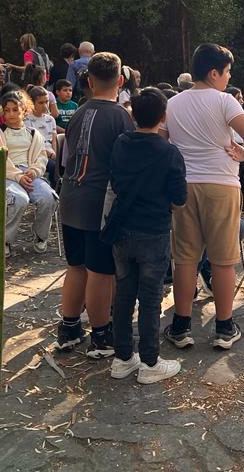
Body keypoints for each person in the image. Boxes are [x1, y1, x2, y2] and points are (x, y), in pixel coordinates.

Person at [161, 43, 244, 351]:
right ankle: (224, 328)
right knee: (223, 260)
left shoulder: (173, 103)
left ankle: (181, 327)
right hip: (221, 184)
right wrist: (243, 154)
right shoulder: (225, 100)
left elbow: (162, 140)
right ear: (214, 72)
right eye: (227, 72)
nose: (228, 77)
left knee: (185, 258)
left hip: (184, 186)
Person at [106, 87, 187, 384]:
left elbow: (115, 181)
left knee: (124, 294)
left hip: (121, 227)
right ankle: (150, 361)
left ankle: (123, 357)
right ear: (163, 117)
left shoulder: (120, 143)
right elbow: (179, 198)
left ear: (133, 115)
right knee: (151, 298)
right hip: (153, 230)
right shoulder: (169, 152)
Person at [56, 52, 134, 357]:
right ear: (120, 80)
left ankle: (69, 328)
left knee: (76, 266)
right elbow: (126, 163)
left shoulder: (77, 113)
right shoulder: (120, 116)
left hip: (70, 197)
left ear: (89, 81)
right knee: (101, 271)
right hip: (99, 202)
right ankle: (101, 335)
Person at [1, 90, 54, 256]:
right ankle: (5, 240)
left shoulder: (33, 133)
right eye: (7, 110)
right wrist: (18, 176)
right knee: (18, 199)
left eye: (15, 109)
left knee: (48, 197)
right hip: (8, 174)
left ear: (24, 110)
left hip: (30, 173)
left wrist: (34, 171)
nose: (11, 114)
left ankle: (40, 236)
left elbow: (41, 156)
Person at [25, 85, 58, 183]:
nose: (45, 105)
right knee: (54, 166)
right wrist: (50, 155)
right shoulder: (27, 120)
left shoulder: (51, 119)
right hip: (38, 155)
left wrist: (56, 154)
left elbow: (54, 140)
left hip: (52, 154)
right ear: (32, 103)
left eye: (47, 102)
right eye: (41, 103)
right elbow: (32, 144)